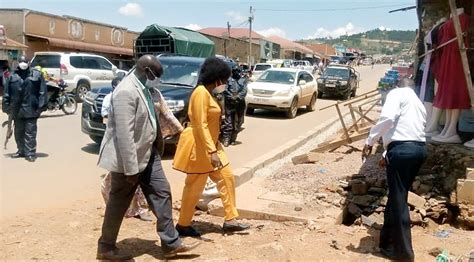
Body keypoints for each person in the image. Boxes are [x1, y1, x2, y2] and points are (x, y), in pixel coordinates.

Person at [96, 55, 199, 260]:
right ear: (147, 71)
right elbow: (124, 135)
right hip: (128, 159)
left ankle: (171, 243)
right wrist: (131, 169)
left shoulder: (145, 89)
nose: (158, 80)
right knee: (119, 201)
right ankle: (106, 247)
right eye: (156, 76)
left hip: (148, 153)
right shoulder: (126, 91)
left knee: (162, 193)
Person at [173, 57, 250, 237]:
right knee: (194, 186)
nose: (225, 83)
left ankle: (230, 219)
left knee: (227, 177)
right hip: (200, 146)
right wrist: (211, 151)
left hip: (212, 145)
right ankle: (183, 224)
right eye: (224, 80)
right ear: (217, 79)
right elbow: (200, 125)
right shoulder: (200, 93)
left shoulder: (210, 94)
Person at [362, 78, 427, 261]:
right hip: (419, 150)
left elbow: (388, 119)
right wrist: (386, 155)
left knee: (398, 200)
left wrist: (369, 141)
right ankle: (388, 242)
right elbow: (408, 131)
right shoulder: (418, 102)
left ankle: (404, 252)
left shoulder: (396, 93)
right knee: (396, 196)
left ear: (397, 85)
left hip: (402, 152)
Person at [100, 73, 152, 222]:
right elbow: (124, 133)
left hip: (139, 149)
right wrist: (131, 168)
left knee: (143, 189)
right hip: (121, 152)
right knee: (119, 192)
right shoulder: (119, 96)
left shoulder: (138, 93)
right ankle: (107, 240)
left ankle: (141, 210)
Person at [2, 56, 47, 162]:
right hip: (17, 110)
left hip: (31, 108)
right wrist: (6, 107)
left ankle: (30, 153)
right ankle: (21, 150)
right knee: (18, 132)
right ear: (18, 63)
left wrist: (41, 107)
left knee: (30, 133)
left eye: (25, 61)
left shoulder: (36, 75)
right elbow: (7, 93)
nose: (23, 63)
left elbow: (42, 92)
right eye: (21, 61)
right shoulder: (12, 76)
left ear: (28, 63)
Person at [220, 66, 247, 147]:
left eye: (237, 71)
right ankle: (226, 139)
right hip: (230, 103)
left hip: (240, 103)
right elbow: (225, 89)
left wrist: (238, 97)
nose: (236, 73)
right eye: (234, 71)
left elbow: (244, 90)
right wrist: (231, 96)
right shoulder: (228, 80)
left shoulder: (243, 80)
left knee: (239, 121)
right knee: (229, 121)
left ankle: (233, 138)